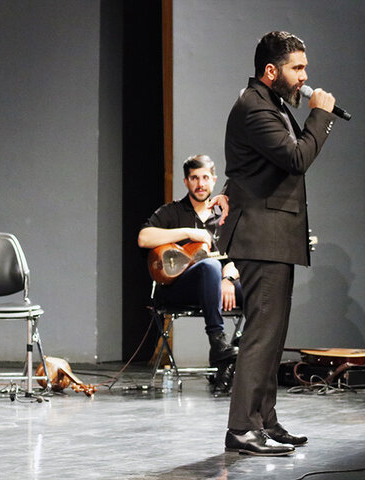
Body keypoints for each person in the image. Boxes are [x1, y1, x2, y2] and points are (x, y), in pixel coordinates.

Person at [219, 31, 336, 456]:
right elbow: (296, 159)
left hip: (273, 238)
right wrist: (320, 116)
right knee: (260, 336)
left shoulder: (272, 105)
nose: (305, 76)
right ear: (272, 71)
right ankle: (242, 428)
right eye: (297, 67)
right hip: (259, 238)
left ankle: (264, 420)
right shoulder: (254, 108)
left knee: (272, 334)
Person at [139, 154, 242, 366]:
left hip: (218, 286)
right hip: (179, 289)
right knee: (210, 265)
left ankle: (236, 357)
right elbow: (143, 238)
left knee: (260, 288)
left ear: (214, 180)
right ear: (186, 182)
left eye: (205, 178)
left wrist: (228, 279)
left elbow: (237, 258)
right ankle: (218, 341)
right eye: (194, 178)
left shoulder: (225, 217)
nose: (200, 184)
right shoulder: (171, 212)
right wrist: (188, 232)